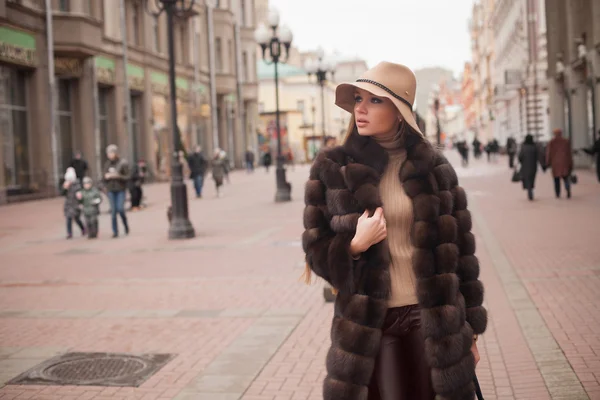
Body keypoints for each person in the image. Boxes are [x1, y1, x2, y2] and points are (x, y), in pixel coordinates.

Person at [302, 62, 486, 400]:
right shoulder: (334, 168)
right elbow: (315, 250)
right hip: (373, 321)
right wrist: (354, 245)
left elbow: (462, 257)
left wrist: (471, 333)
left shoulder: (435, 169)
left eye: (374, 100)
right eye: (358, 98)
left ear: (399, 112)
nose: (360, 108)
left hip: (432, 319)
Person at [103, 144, 130, 237]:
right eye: (108, 153)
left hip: (120, 189)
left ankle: (125, 225)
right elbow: (103, 178)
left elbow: (127, 177)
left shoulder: (122, 163)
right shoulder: (107, 164)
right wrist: (106, 178)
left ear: (115, 153)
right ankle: (115, 231)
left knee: (120, 209)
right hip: (111, 190)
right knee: (113, 211)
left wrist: (118, 176)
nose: (110, 154)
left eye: (111, 152)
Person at [546, 128, 573, 199]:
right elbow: (569, 153)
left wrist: (548, 162)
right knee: (566, 178)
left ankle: (557, 193)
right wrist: (571, 163)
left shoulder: (551, 142)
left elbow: (549, 153)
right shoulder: (566, 141)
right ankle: (568, 189)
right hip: (565, 162)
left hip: (555, 164)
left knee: (556, 180)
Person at [63, 167, 85, 239]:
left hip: (75, 204)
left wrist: (80, 201)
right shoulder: (65, 185)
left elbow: (80, 194)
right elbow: (62, 193)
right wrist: (65, 188)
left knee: (77, 218)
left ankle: (83, 229)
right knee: (68, 218)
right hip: (68, 204)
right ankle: (69, 233)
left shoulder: (77, 185)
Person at [518, 134, 539, 201]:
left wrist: (521, 162)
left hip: (525, 166)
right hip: (533, 166)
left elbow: (520, 157)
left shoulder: (523, 147)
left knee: (527, 179)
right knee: (532, 179)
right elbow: (538, 156)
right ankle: (531, 191)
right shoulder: (534, 146)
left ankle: (529, 191)